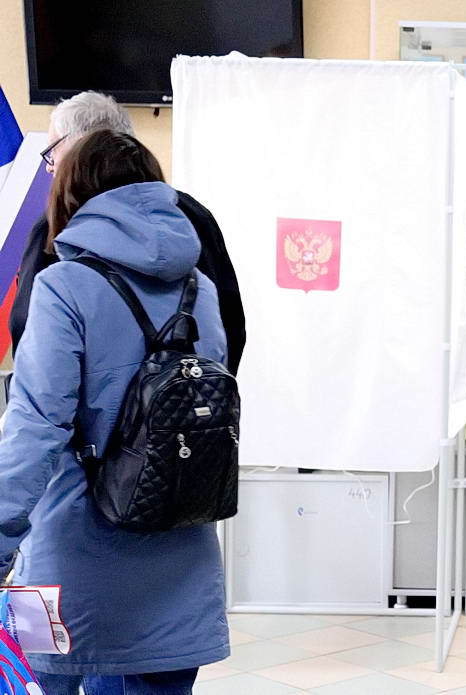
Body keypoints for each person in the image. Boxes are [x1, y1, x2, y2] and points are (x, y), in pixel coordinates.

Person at [0, 130, 230, 694]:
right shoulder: (200, 290)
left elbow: (35, 427)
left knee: (34, 680)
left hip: (70, 559)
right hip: (181, 553)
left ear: (71, 194)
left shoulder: (63, 286)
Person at [12, 90, 245, 373]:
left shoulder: (57, 225)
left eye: (52, 150)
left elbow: (30, 339)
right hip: (194, 394)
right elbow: (230, 323)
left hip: (91, 401)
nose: (50, 167)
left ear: (79, 146)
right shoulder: (194, 214)